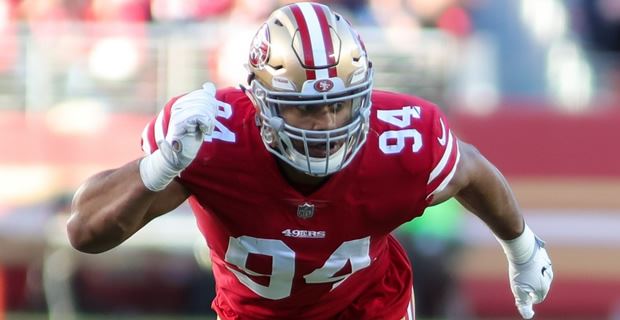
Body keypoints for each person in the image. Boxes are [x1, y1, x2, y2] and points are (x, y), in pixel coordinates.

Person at [66, 2, 553, 319]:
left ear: (363, 97)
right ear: (259, 101)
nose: (325, 124)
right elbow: (84, 232)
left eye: (338, 104)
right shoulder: (212, 138)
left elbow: (471, 171)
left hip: (372, 309)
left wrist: (523, 248)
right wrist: (161, 166)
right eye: (305, 107)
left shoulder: (402, 139)